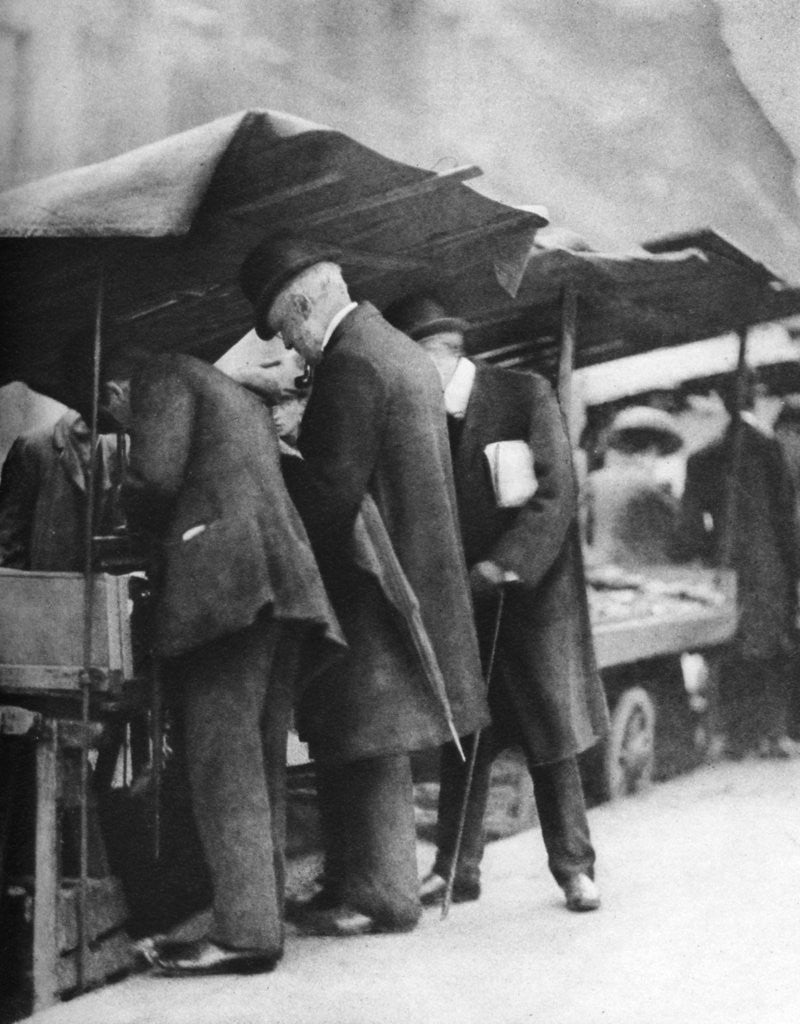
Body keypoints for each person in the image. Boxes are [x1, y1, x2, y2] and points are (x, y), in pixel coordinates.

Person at [238, 238, 488, 936]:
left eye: (286, 328)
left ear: (308, 305)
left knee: (367, 736)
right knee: (374, 735)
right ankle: (358, 882)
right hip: (419, 571)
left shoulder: (351, 364)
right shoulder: (397, 349)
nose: (290, 346)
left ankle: (380, 896)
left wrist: (269, 457)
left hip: (376, 585)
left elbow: (328, 495)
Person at [98, 349, 345, 975]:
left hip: (226, 597)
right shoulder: (226, 390)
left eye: (112, 414)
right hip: (279, 594)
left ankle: (244, 935)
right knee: (257, 762)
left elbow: (153, 478)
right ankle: (260, 920)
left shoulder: (158, 376)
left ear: (113, 387)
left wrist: (123, 526)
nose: (122, 424)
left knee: (220, 762)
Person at [384, 295, 609, 912]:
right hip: (465, 607)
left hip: (531, 603)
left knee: (550, 735)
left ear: (438, 356)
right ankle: (457, 868)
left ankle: (574, 869)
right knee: (466, 735)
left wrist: (503, 565)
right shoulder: (419, 416)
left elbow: (556, 496)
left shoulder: (523, 395)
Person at [675, 377, 800, 759]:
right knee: (772, 648)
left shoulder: (703, 456)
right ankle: (770, 733)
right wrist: (793, 568)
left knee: (728, 649)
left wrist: (701, 555)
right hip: (768, 567)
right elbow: (785, 516)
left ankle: (730, 735)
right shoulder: (769, 450)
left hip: (724, 566)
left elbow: (690, 527)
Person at [0, 409, 123, 570]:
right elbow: (9, 535)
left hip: (94, 586)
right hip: (43, 584)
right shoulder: (33, 445)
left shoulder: (116, 451)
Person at [582, 405, 684, 568]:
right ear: (653, 448)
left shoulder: (595, 480)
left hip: (598, 567)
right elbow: (676, 533)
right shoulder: (653, 488)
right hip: (642, 572)